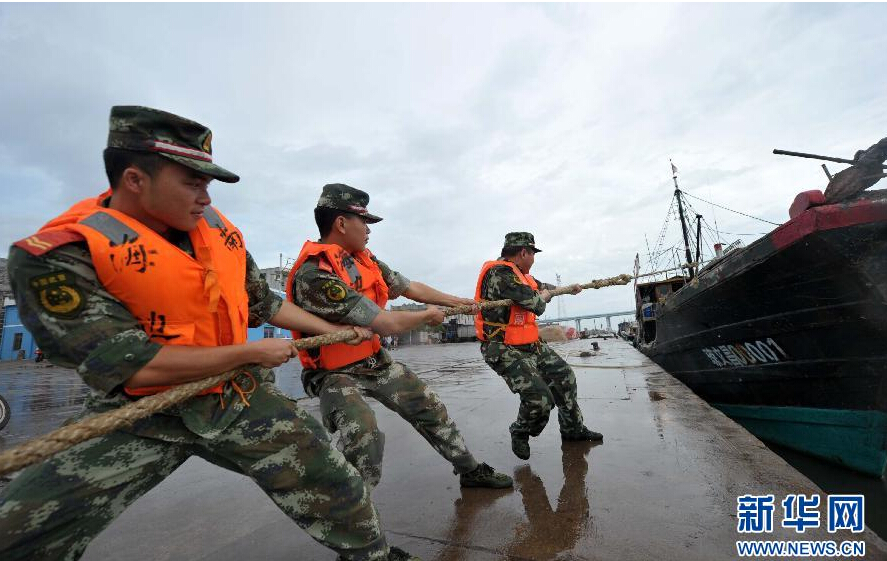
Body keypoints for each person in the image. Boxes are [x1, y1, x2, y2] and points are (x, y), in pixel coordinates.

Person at [0, 107, 419, 561]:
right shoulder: (59, 256)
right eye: (191, 182)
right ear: (136, 180)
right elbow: (135, 368)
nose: (205, 196)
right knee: (21, 529)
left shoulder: (220, 232)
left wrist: (333, 331)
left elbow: (267, 302)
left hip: (233, 398)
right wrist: (249, 354)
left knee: (339, 486)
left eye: (207, 184)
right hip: (138, 413)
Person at [287, 183, 513, 490]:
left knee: (428, 406)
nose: (368, 231)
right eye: (363, 222)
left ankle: (470, 471)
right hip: (332, 374)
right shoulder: (315, 274)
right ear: (341, 223)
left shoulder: (364, 260)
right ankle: (356, 518)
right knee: (362, 433)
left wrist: (458, 303)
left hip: (372, 361)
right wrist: (426, 315)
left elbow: (409, 287)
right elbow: (385, 324)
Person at [475, 232, 603, 460]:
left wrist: (567, 289)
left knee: (565, 377)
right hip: (503, 347)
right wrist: (543, 296)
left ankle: (573, 430)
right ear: (524, 252)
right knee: (540, 398)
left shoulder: (522, 276)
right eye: (533, 253)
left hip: (530, 343)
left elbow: (543, 287)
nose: (534, 259)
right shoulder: (500, 274)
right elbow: (536, 303)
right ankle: (520, 431)